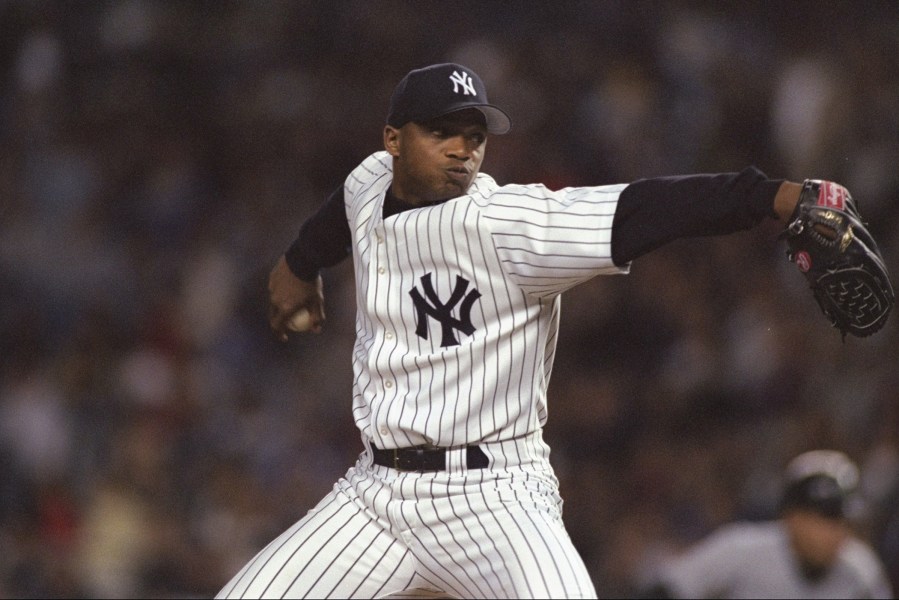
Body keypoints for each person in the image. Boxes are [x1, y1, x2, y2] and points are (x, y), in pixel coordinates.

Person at [217, 63, 886, 599]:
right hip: (376, 493)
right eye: (441, 132)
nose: (461, 150)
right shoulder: (371, 182)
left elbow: (643, 208)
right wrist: (299, 265)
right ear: (393, 140)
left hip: (494, 497)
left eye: (473, 135)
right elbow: (345, 206)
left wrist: (772, 196)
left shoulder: (506, 225)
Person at [642, 450, 894, 599]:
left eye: (840, 521)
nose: (833, 534)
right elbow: (662, 591)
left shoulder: (860, 570)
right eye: (822, 520)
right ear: (792, 518)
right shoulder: (741, 550)